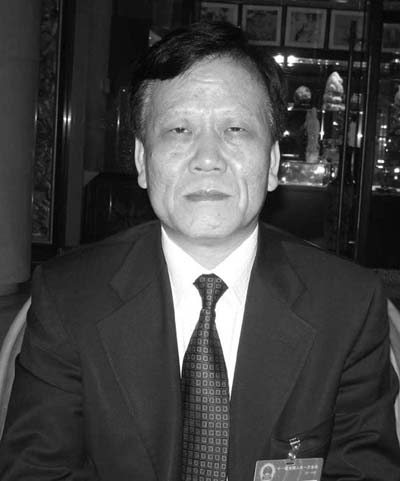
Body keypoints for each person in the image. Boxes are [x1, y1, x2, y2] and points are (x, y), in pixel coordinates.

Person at [0, 21, 399, 481]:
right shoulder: (69, 297)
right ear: (141, 160)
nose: (207, 158)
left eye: (235, 128)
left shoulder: (348, 304)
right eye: (179, 129)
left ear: (272, 163)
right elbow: (37, 468)